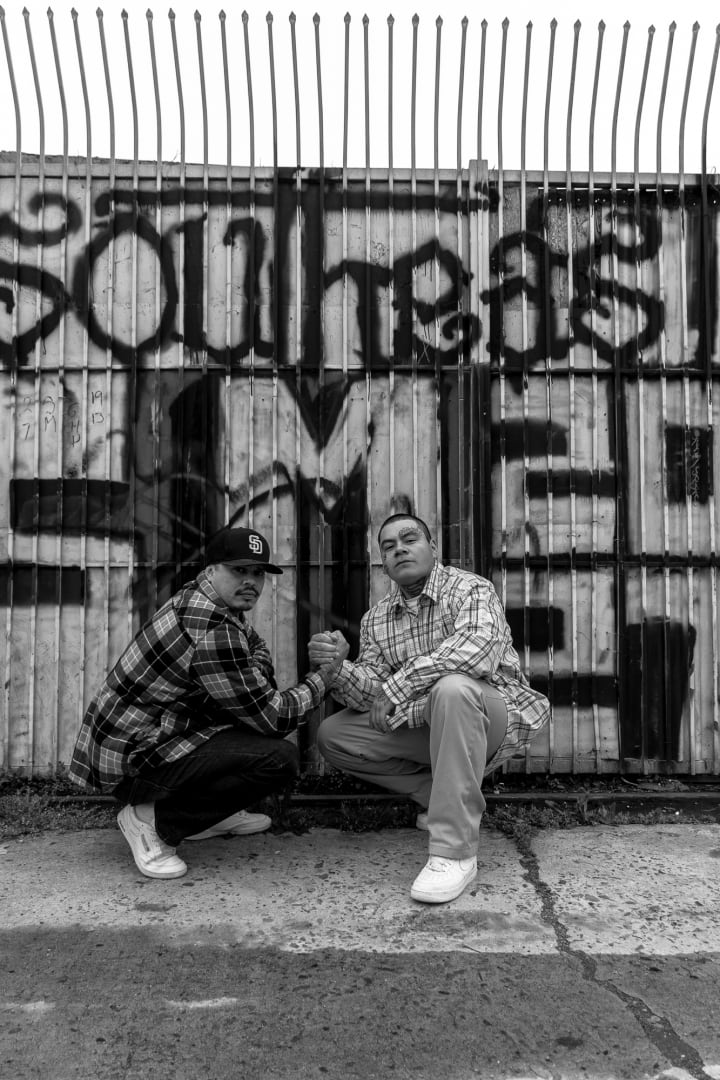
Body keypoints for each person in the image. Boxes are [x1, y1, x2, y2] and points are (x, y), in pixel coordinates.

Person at [69, 525, 340, 881]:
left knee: (242, 716)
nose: (251, 581)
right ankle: (152, 822)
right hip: (133, 765)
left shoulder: (204, 598)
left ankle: (209, 817)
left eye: (258, 572)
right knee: (279, 759)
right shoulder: (214, 628)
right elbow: (275, 718)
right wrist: (326, 675)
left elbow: (256, 649)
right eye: (238, 570)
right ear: (211, 570)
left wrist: (251, 670)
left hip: (148, 741)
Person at [310, 513, 550, 905]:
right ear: (383, 563)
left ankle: (454, 852)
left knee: (452, 689)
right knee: (334, 735)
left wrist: (400, 688)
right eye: (389, 547)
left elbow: (477, 652)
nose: (400, 550)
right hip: (429, 721)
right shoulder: (376, 619)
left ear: (432, 548)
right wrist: (338, 669)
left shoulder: (470, 588)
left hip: (491, 714)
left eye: (410, 539)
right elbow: (373, 697)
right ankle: (440, 798)